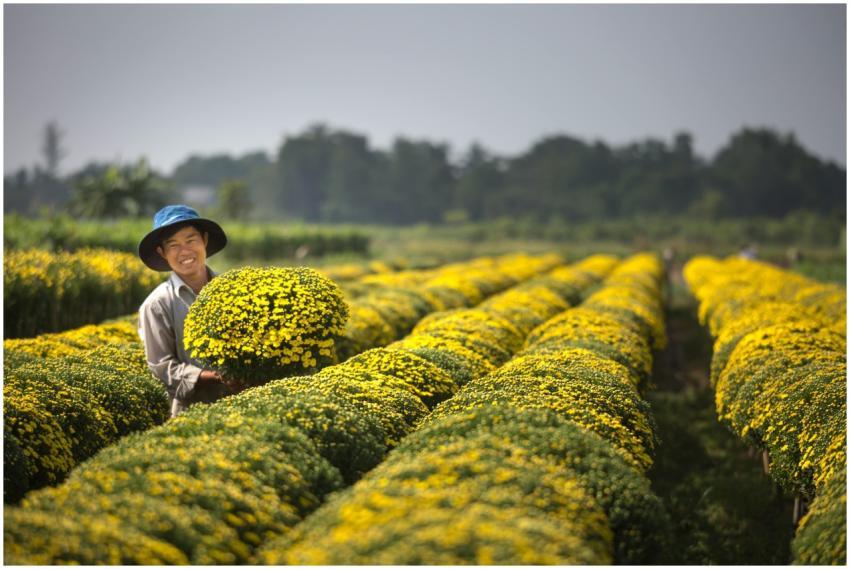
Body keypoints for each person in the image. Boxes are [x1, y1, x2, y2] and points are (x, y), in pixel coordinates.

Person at [137, 204, 244, 418]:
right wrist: (210, 377)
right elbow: (161, 367)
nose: (184, 251)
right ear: (162, 252)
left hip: (245, 405)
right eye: (173, 245)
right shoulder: (157, 304)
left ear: (204, 240)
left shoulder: (233, 289)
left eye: (190, 240)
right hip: (193, 414)